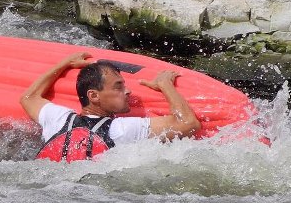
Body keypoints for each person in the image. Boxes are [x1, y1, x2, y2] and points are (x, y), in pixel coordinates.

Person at [20, 53, 200, 160]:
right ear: (93, 96)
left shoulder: (58, 118)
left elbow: (29, 98)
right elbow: (188, 124)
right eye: (118, 87)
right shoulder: (122, 130)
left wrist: (65, 63)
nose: (128, 91)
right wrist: (165, 84)